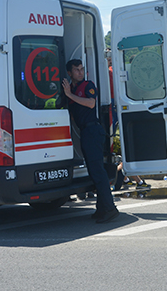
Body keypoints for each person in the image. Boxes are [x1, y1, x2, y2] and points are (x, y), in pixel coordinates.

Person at [63, 59, 119, 223]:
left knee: (98, 172)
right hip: (86, 132)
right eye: (76, 70)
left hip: (93, 130)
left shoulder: (88, 85)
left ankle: (110, 208)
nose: (80, 72)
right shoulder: (71, 89)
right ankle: (102, 208)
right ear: (69, 72)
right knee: (95, 172)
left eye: (81, 69)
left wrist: (69, 95)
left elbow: (90, 103)